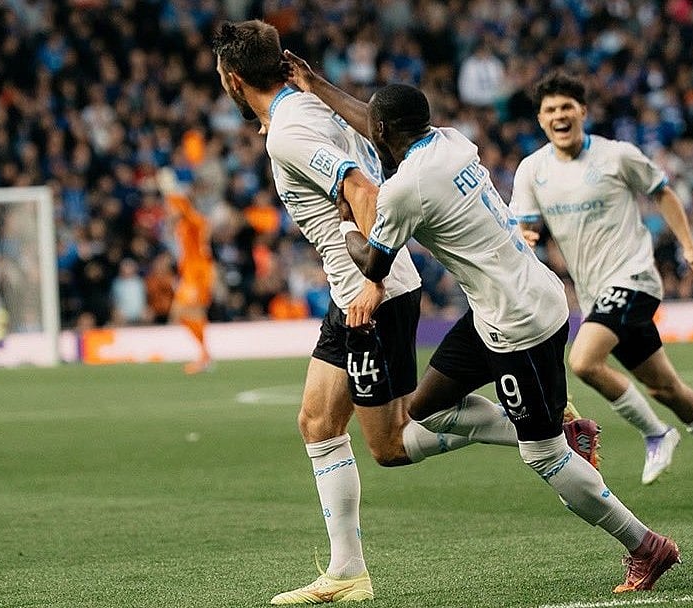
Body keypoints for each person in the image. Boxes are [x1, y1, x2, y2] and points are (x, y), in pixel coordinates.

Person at [212, 21, 599, 604]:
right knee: (317, 423)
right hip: (353, 292)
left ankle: (546, 429)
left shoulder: (288, 133)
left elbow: (363, 190)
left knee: (390, 445)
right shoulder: (307, 107)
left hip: (368, 295)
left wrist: (373, 281)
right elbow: (371, 136)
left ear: (233, 80)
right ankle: (347, 572)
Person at [284, 51, 679, 595]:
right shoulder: (452, 141)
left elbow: (373, 264)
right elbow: (377, 120)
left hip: (518, 325)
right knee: (425, 407)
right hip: (509, 301)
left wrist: (344, 223)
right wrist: (317, 85)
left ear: (382, 131)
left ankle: (645, 545)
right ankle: (564, 430)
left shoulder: (405, 190)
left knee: (544, 456)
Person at [510, 71, 693, 505]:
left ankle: (656, 433)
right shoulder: (532, 170)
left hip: (634, 278)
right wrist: (525, 237)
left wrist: (688, 247)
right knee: (667, 389)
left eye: (567, 106)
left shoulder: (616, 156)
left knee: (584, 360)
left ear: (583, 111)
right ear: (540, 119)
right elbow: (524, 226)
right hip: (596, 294)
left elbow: (663, 192)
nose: (559, 115)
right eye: (550, 109)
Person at [157, 168, 216, 374]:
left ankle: (205, 356)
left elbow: (183, 209)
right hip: (192, 272)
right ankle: (205, 355)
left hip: (198, 273)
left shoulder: (193, 220)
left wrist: (169, 189)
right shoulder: (185, 223)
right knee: (186, 313)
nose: (169, 211)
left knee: (182, 311)